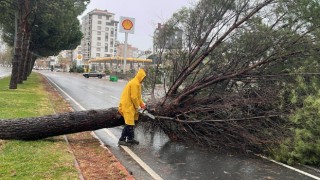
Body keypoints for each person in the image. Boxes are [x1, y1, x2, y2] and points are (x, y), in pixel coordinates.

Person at [118, 68, 146, 146]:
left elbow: (138, 97)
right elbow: (133, 97)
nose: (143, 79)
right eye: (143, 77)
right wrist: (138, 106)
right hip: (127, 105)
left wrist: (142, 104)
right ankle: (121, 139)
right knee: (129, 123)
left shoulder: (138, 84)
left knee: (132, 123)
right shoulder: (134, 83)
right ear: (140, 76)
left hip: (131, 106)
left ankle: (130, 139)